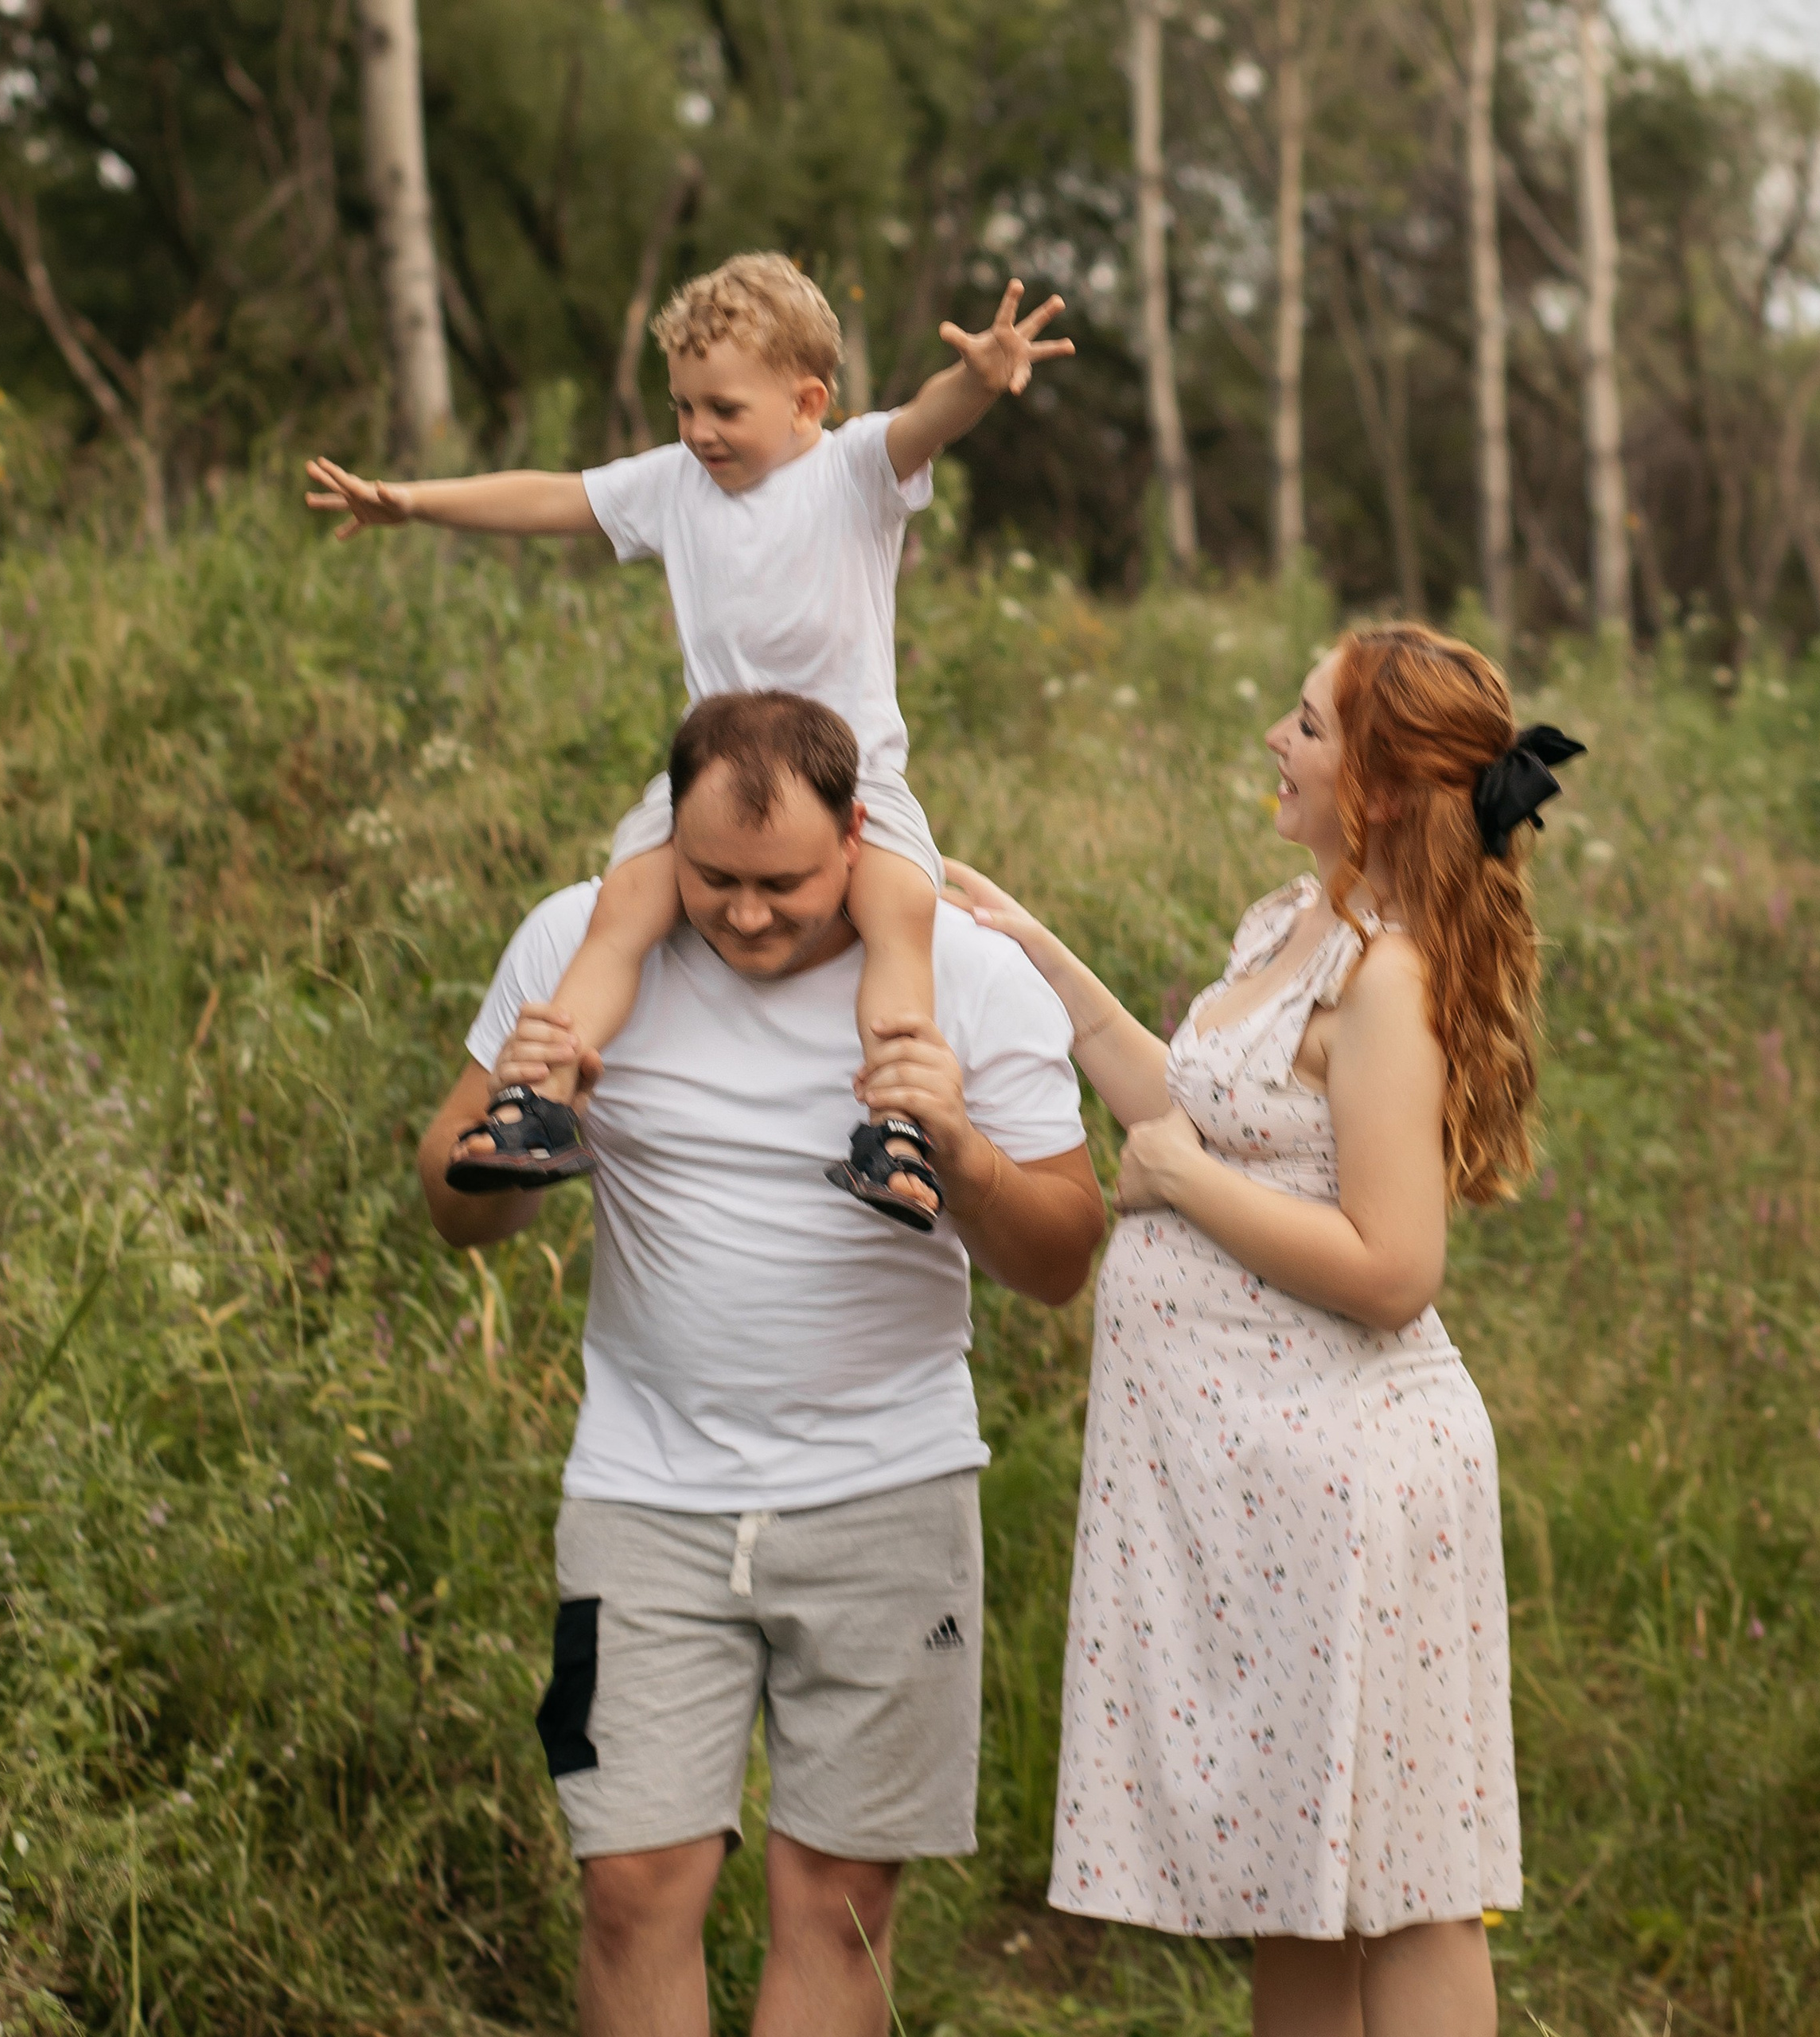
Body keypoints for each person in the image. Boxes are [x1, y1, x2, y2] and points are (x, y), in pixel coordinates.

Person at [417, 691, 1105, 2037]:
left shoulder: (964, 975)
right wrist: (519, 1133)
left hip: (891, 1494)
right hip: (643, 1494)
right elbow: (455, 1215)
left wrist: (960, 1155)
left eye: (781, 883)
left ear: (856, 837)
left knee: (840, 1901)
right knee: (631, 1884)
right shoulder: (575, 943)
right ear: (666, 838)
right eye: (711, 877)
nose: (742, 914)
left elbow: (1063, 1258)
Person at [942, 624, 1583, 2037]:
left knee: (1408, 1888)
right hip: (1264, 1496)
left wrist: (1184, 1187)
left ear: (1383, 784)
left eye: (1306, 726)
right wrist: (1036, 953)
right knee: (1295, 1883)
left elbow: (1394, 1263)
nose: (1274, 744)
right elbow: (1183, 1092)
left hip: (1359, 1481)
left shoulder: (1392, 981)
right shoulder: (1296, 924)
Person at [318, 251, 1073, 1233]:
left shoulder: (853, 471)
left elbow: (930, 418)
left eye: (723, 409)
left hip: (853, 780)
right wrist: (413, 501)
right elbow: (553, 498)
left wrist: (978, 377)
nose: (698, 431)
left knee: (898, 913)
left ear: (808, 402)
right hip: (712, 780)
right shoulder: (676, 485)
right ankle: (536, 1101)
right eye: (681, 407)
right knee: (622, 908)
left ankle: (893, 1126)